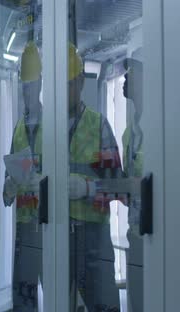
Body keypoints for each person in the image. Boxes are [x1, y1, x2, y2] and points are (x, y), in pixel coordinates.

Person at [66, 42, 123, 311]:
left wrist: (88, 188)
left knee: (103, 306)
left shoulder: (98, 125)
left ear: (80, 82)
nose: (64, 91)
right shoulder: (47, 131)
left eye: (69, 83)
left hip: (93, 239)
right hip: (57, 235)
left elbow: (119, 187)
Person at [2, 41, 44, 311]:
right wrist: (7, 188)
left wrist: (45, 184)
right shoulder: (18, 127)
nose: (26, 90)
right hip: (25, 227)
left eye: (31, 84)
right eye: (23, 85)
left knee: (58, 290)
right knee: (24, 293)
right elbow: (10, 176)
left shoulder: (55, 124)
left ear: (40, 84)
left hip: (52, 225)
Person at [122, 49, 144, 312]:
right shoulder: (129, 133)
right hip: (134, 236)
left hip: (158, 238)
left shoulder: (162, 126)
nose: (125, 78)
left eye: (132, 71)